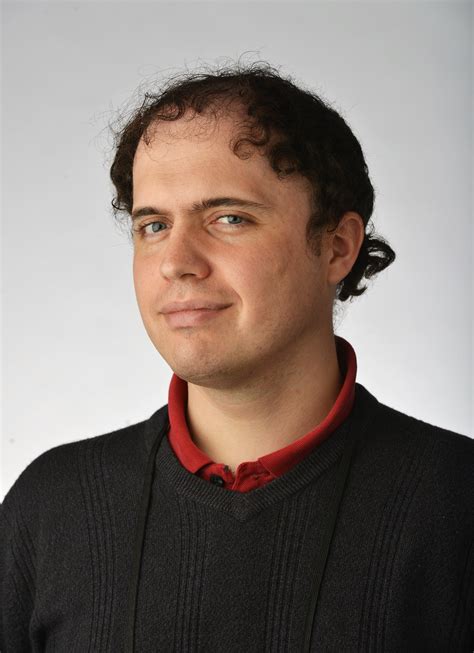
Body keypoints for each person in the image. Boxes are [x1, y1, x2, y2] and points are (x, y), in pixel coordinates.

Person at [1, 61, 473, 653]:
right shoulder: (51, 507)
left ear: (337, 246)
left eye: (228, 218)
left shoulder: (457, 501)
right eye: (154, 225)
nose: (176, 262)